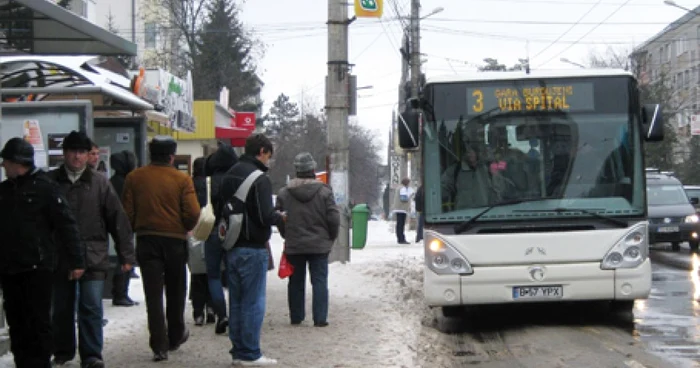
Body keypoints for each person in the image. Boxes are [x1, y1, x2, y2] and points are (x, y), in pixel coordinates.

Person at [48, 131, 135, 368]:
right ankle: (63, 351)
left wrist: (126, 254)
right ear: (64, 153)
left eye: (81, 152)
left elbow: (117, 219)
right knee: (62, 307)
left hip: (93, 254)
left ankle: (91, 355)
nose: (77, 156)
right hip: (61, 255)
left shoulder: (100, 183)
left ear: (88, 156)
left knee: (91, 306)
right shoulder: (51, 182)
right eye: (72, 151)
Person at [0, 138, 84, 368]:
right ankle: (23, 362)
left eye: (5, 161)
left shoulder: (45, 188)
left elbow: (67, 225)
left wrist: (77, 260)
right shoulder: (4, 191)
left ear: (17, 162)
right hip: (9, 268)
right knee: (17, 322)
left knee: (38, 321)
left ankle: (39, 363)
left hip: (38, 267)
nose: (3, 166)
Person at [122, 135, 201, 362]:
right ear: (171, 156)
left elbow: (127, 212)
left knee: (153, 293)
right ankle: (175, 335)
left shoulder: (134, 178)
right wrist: (185, 226)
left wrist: (139, 226)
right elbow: (194, 212)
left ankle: (158, 344)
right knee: (176, 289)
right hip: (174, 240)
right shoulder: (181, 179)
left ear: (151, 154)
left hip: (147, 240)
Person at [220, 133, 284, 366]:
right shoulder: (260, 179)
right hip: (253, 247)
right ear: (262, 152)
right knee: (253, 302)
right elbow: (264, 215)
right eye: (268, 155)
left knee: (236, 302)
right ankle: (250, 353)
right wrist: (279, 217)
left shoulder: (230, 174)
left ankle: (238, 350)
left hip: (232, 246)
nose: (268, 161)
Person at [275, 152, 340, 327]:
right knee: (319, 281)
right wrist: (330, 237)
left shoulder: (284, 193)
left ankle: (296, 316)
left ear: (296, 170)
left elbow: (279, 218)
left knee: (295, 281)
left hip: (295, 244)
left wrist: (286, 234)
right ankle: (320, 318)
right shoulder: (325, 191)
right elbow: (334, 218)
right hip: (319, 244)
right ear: (312, 169)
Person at [204, 141, 239, 334]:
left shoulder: (207, 181)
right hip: (232, 230)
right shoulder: (237, 179)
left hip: (212, 228)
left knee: (214, 275)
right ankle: (235, 316)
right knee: (233, 274)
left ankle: (221, 314)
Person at [109, 150, 139, 307]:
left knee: (124, 256)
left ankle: (120, 292)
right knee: (125, 257)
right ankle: (120, 293)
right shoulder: (125, 182)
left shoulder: (114, 180)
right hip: (124, 223)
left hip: (119, 222)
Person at [188, 157, 215, 326]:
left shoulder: (189, 184)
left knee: (196, 273)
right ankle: (212, 306)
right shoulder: (211, 185)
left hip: (194, 230)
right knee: (211, 271)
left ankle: (198, 311)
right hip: (210, 227)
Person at [441, 145, 502, 210]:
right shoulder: (455, 170)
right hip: (462, 216)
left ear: (477, 153)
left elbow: (499, 189)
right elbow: (441, 190)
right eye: (467, 151)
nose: (470, 154)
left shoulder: (487, 168)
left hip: (485, 215)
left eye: (472, 151)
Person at [392, 177, 414, 244]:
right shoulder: (403, 189)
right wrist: (410, 194)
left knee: (399, 224)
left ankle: (399, 238)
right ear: (406, 183)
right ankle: (401, 239)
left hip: (398, 208)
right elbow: (403, 198)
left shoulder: (399, 187)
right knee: (401, 224)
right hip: (402, 209)